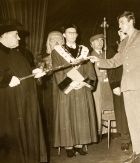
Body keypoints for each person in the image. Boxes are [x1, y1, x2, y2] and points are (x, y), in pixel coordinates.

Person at [87, 11, 140, 163]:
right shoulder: (124, 42)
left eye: (122, 22)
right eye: (119, 23)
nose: (119, 26)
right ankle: (137, 152)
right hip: (127, 85)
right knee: (132, 121)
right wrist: (97, 61)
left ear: (131, 21)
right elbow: (115, 61)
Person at [0, 18, 47, 163]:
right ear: (4, 35)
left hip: (24, 105)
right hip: (8, 108)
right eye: (15, 34)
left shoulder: (18, 53)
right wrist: (5, 79)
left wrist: (35, 72)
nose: (19, 38)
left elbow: (24, 72)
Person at [51, 24, 97, 158]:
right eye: (69, 32)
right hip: (69, 88)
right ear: (64, 35)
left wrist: (84, 82)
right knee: (68, 117)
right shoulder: (57, 51)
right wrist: (72, 83)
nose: (73, 35)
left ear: (77, 35)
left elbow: (90, 69)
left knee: (81, 116)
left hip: (82, 87)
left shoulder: (84, 50)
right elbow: (57, 71)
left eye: (75, 33)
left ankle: (79, 145)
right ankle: (69, 146)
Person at [106, 30, 131, 151]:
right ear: (118, 33)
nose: (125, 36)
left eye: (127, 33)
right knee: (122, 114)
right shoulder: (113, 48)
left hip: (134, 85)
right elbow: (110, 68)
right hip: (119, 85)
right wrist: (114, 85)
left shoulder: (136, 46)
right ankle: (125, 140)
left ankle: (136, 139)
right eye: (123, 33)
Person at [90, 34, 116, 138]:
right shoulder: (90, 56)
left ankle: (112, 129)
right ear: (92, 44)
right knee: (98, 105)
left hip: (108, 83)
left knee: (110, 105)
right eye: (97, 41)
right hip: (98, 83)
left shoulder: (107, 54)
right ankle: (99, 131)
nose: (100, 42)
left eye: (101, 40)